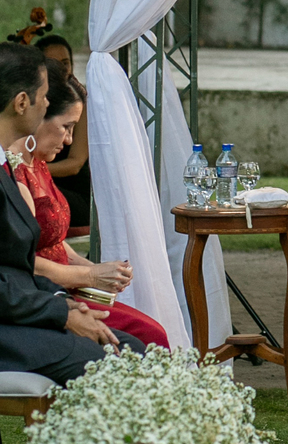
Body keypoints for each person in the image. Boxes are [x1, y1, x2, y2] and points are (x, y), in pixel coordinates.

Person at [0, 44, 144, 384]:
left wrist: (67, 307)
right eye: (45, 96)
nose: (49, 103)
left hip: (20, 311)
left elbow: (15, 269)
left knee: (134, 348)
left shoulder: (7, 166)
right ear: (22, 103)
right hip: (7, 324)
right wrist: (62, 314)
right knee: (106, 361)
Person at [13, 62, 169, 348]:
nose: (70, 139)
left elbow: (55, 243)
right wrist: (91, 274)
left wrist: (96, 270)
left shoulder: (38, 164)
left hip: (67, 286)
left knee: (152, 331)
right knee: (150, 337)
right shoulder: (16, 174)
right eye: (66, 127)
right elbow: (27, 262)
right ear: (39, 116)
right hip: (48, 295)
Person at [40, 34, 91, 232]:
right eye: (53, 63)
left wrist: (32, 173)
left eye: (65, 63)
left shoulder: (78, 102)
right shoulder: (35, 105)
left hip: (74, 193)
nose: (61, 69)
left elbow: (75, 164)